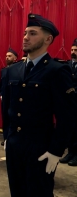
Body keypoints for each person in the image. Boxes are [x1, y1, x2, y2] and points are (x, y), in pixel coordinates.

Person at [2, 14, 77, 197]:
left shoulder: (57, 70)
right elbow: (7, 109)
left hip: (40, 148)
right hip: (14, 146)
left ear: (48, 39)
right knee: (17, 192)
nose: (26, 37)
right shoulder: (13, 70)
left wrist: (56, 151)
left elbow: (68, 115)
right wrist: (7, 138)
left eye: (33, 33)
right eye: (25, 33)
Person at [59, 38, 77, 166]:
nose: (73, 52)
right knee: (70, 128)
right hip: (69, 103)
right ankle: (70, 152)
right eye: (72, 50)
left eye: (76, 50)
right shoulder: (67, 65)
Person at [0, 48, 18, 146]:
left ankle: (11, 139)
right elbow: (0, 85)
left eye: (9, 56)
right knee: (5, 119)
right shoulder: (3, 70)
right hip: (5, 100)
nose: (7, 58)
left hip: (14, 100)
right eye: (6, 56)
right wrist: (1, 94)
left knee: (13, 120)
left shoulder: (18, 69)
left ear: (15, 58)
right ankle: (6, 138)